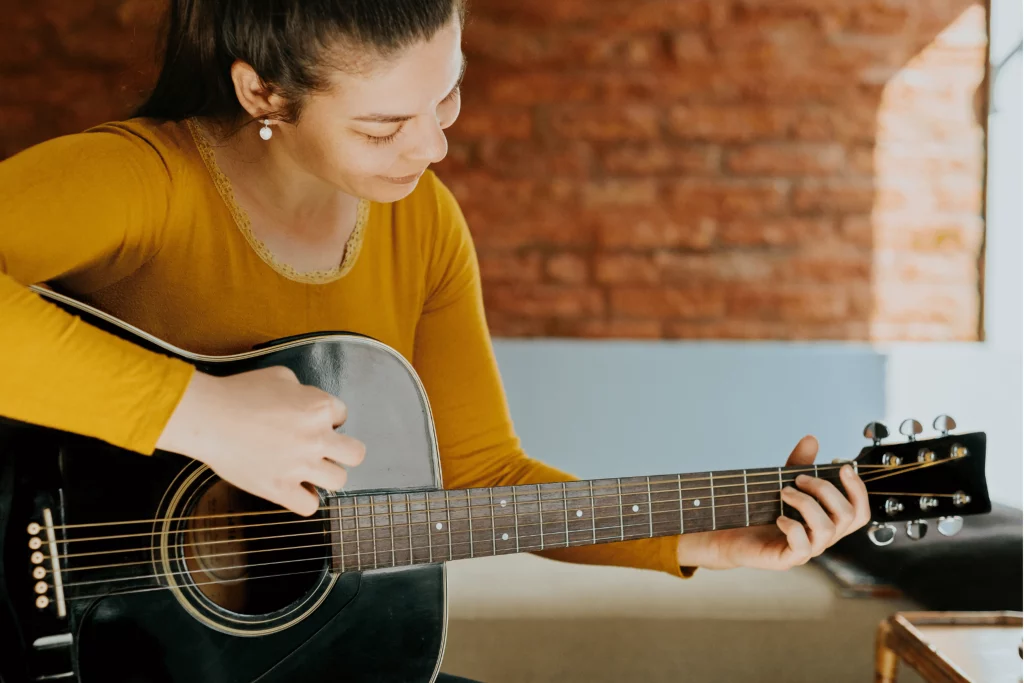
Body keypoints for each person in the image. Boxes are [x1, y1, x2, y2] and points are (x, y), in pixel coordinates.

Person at [0, 0, 870, 680]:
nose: (435, 145)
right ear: (262, 92)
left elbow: (483, 475)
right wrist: (198, 415)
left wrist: (707, 539)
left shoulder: (422, 223)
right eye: (383, 127)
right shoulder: (142, 176)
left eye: (446, 94)